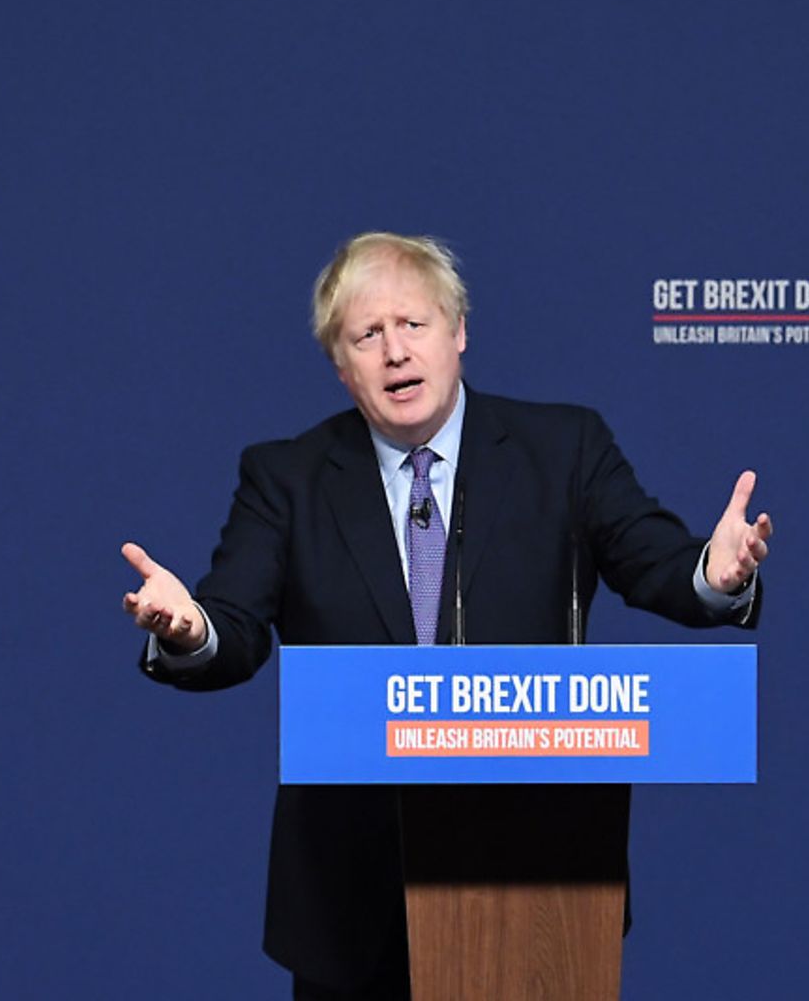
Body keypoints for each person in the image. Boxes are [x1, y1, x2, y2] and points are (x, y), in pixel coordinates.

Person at [121, 233, 772, 1000]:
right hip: (348, 900)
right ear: (341, 365)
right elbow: (232, 623)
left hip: (542, 893)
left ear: (459, 333)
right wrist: (191, 628)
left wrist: (715, 572)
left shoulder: (564, 449)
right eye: (368, 335)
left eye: (414, 325)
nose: (395, 352)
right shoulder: (286, 478)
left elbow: (656, 563)